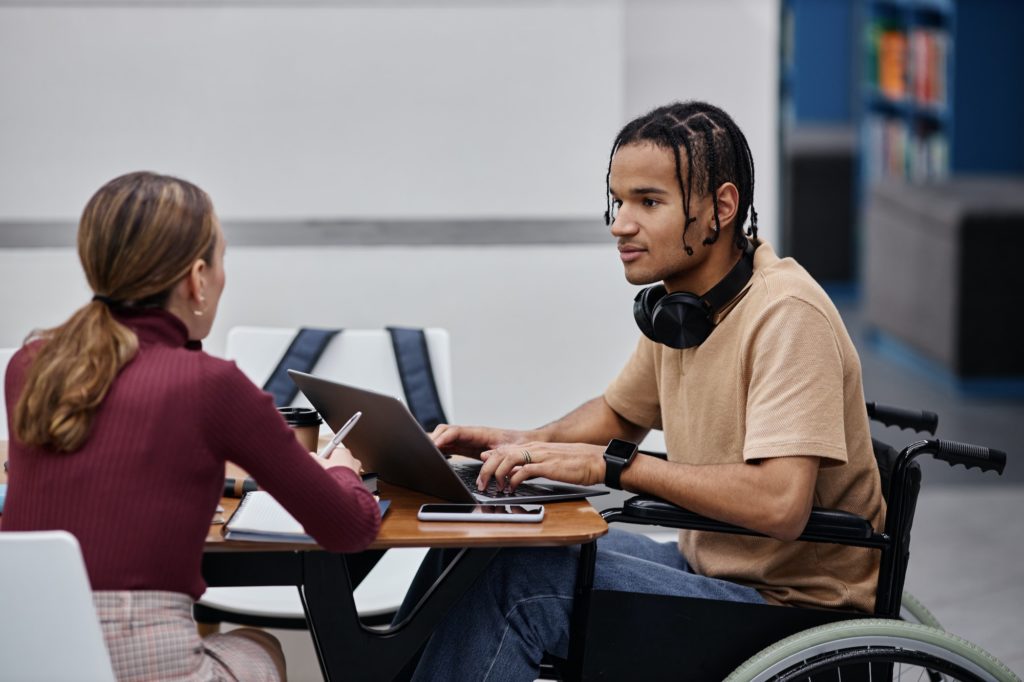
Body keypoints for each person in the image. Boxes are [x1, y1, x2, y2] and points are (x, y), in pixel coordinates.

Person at [408, 101, 886, 681]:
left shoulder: (786, 314)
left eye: (649, 202)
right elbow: (618, 413)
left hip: (789, 611)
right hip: (710, 566)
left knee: (519, 582)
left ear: (721, 208)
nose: (620, 224)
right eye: (619, 201)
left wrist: (613, 466)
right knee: (474, 551)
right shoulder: (682, 308)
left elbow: (780, 504)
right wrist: (520, 442)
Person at [2, 171, 382, 681]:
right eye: (221, 261)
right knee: (260, 647)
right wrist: (339, 470)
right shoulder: (208, 384)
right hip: (143, 664)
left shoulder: (29, 365)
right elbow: (350, 527)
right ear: (197, 277)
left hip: (28, 656)